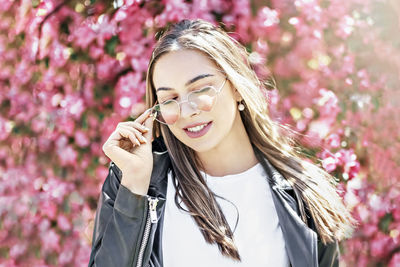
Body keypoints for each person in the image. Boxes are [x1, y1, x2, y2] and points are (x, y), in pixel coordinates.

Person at [88, 19, 355, 267]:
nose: (187, 110)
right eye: (170, 99)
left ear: (236, 86)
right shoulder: (140, 183)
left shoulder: (301, 194)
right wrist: (134, 188)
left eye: (201, 89)